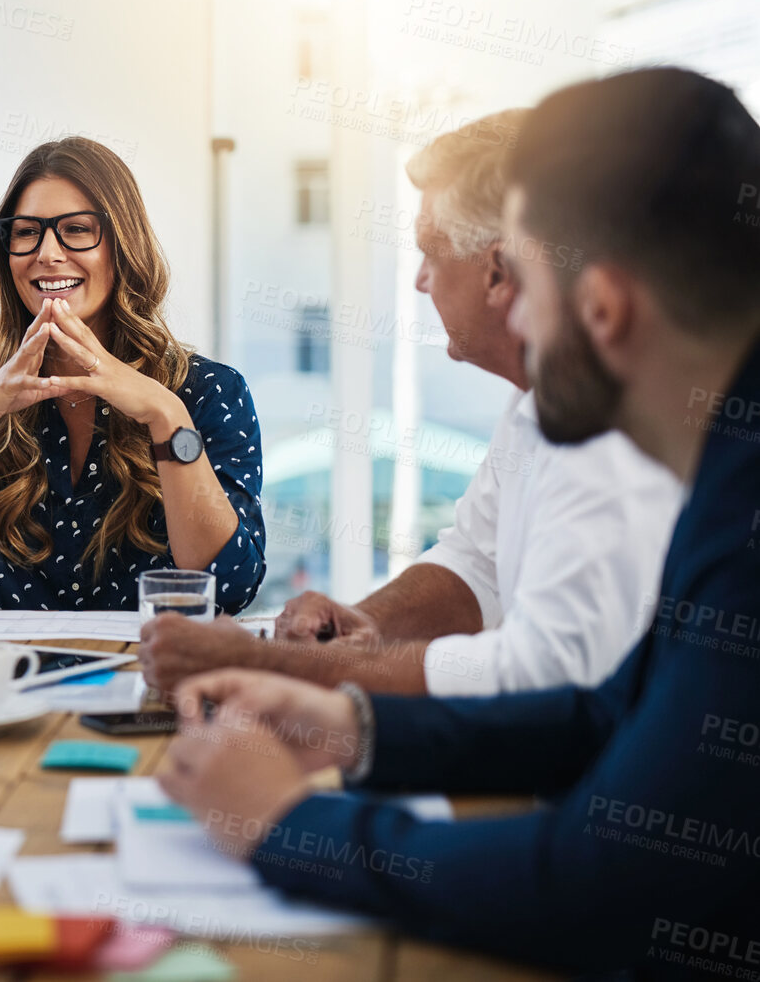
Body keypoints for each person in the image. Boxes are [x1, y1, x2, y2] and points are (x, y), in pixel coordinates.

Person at [158, 67, 760, 977]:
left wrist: (290, 825)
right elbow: (610, 712)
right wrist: (351, 726)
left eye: (520, 278)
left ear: (601, 308)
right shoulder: (721, 466)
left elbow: (607, 882)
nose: (509, 308)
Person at [141, 110, 681, 695]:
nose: (422, 280)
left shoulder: (612, 440)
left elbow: (545, 671)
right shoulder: (535, 407)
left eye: (432, 252)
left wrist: (282, 666)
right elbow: (476, 562)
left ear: (500, 271)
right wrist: (365, 622)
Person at [0, 137, 266, 613]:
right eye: (26, 232)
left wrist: (166, 415)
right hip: (2, 681)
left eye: (76, 230)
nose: (48, 253)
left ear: (123, 246)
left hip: (145, 680)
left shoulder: (207, 392)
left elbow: (229, 589)